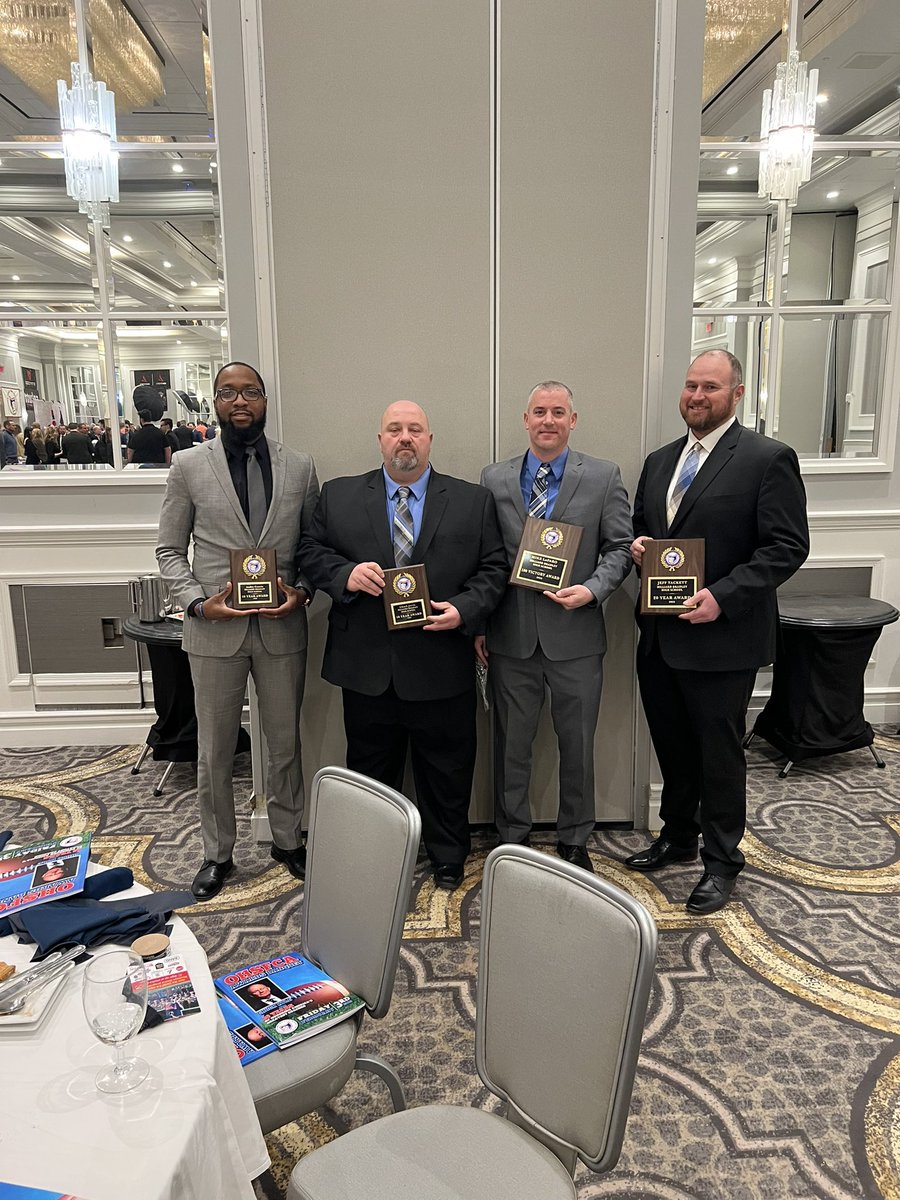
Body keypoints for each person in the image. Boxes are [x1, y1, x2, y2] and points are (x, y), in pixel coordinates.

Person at [628, 350, 809, 914]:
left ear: (736, 393)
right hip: (660, 636)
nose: (697, 396)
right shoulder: (660, 461)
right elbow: (646, 527)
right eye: (690, 386)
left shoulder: (767, 458)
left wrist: (722, 598)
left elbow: (787, 547)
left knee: (719, 752)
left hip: (721, 639)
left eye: (710, 386)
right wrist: (638, 548)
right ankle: (679, 835)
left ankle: (723, 860)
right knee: (673, 746)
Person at [299, 401, 508, 888]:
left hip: (441, 660)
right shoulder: (339, 495)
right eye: (395, 429)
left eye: (415, 429)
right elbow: (309, 551)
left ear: (431, 440)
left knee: (448, 768)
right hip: (368, 667)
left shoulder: (472, 501)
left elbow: (494, 569)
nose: (405, 438)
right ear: (380, 440)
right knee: (371, 773)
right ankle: (377, 854)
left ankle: (448, 854)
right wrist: (345, 575)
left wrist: (465, 609)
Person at [156, 361, 320, 900]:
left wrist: (303, 591)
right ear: (216, 402)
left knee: (285, 743)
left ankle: (287, 838)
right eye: (228, 393)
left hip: (280, 628)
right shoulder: (186, 465)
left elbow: (311, 549)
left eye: (250, 391)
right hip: (214, 633)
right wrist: (199, 604)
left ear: (266, 400)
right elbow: (168, 551)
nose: (240, 401)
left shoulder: (299, 467)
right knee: (216, 749)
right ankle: (216, 852)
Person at [476, 381, 632, 871]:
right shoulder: (494, 478)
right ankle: (513, 838)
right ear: (525, 420)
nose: (548, 420)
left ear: (573, 419)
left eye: (558, 412)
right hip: (511, 636)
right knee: (510, 746)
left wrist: (593, 589)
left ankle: (574, 838)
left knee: (578, 745)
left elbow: (621, 547)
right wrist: (479, 624)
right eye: (539, 412)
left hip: (577, 635)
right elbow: (484, 557)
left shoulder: (604, 476)